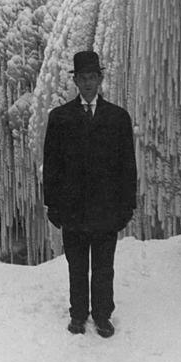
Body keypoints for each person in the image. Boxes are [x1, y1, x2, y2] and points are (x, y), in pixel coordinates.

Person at [42, 50, 136, 338]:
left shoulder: (118, 118)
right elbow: (52, 165)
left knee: (104, 267)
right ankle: (78, 314)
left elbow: (127, 165)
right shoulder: (60, 118)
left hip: (107, 209)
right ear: (75, 80)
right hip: (73, 210)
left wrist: (127, 206)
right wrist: (52, 205)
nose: (87, 83)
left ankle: (103, 315)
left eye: (92, 77)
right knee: (77, 266)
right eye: (82, 77)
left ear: (100, 78)